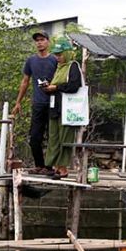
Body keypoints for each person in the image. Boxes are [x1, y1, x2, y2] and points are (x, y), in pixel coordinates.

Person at [13, 30, 58, 175]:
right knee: (35, 137)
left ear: (48, 41)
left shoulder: (55, 59)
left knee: (52, 136)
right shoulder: (31, 60)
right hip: (38, 103)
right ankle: (39, 165)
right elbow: (25, 81)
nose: (39, 42)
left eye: (42, 39)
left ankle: (50, 167)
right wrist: (18, 102)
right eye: (37, 40)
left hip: (53, 103)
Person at [41, 37, 82, 180]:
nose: (57, 57)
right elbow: (55, 86)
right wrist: (47, 87)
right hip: (54, 108)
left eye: (60, 54)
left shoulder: (73, 66)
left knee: (65, 138)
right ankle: (54, 166)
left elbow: (74, 86)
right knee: (53, 137)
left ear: (68, 53)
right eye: (56, 54)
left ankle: (63, 169)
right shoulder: (58, 69)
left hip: (67, 109)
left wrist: (56, 87)